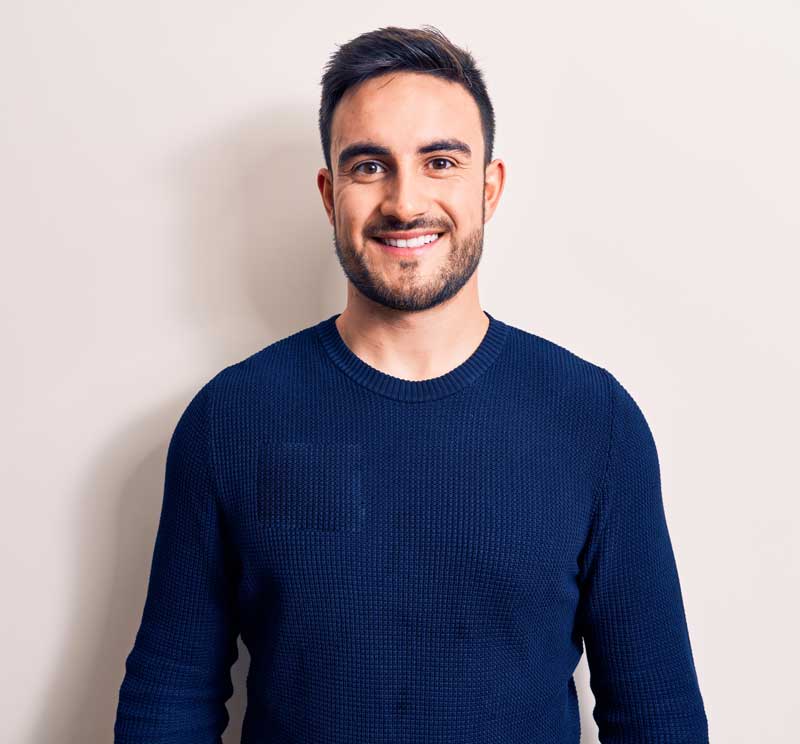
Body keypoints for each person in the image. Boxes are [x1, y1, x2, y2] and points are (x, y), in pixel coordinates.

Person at [114, 24, 708, 744]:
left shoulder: (594, 420)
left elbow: (656, 714)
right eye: (370, 166)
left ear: (489, 188)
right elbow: (170, 697)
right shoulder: (231, 418)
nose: (404, 202)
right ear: (330, 194)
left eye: (440, 162)